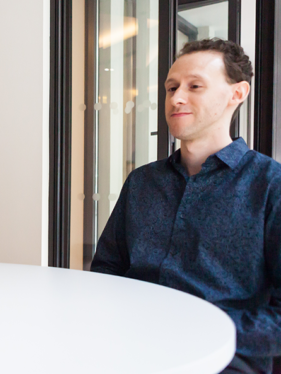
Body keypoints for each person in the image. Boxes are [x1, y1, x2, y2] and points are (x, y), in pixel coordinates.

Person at [91, 38, 281, 373]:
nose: (176, 98)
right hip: (130, 351)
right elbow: (106, 272)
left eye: (195, 86)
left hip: (223, 362)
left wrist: (205, 330)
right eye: (171, 87)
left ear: (237, 94)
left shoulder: (269, 184)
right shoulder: (141, 183)